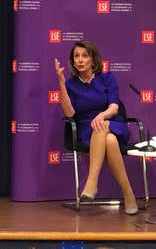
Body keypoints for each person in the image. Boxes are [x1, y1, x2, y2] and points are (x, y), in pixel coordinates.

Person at [55, 40, 138, 215]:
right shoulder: (70, 85)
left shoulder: (107, 78)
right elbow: (69, 113)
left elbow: (114, 107)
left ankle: (92, 183)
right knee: (108, 139)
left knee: (103, 128)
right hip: (86, 129)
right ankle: (128, 194)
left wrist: (102, 116)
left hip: (112, 121)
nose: (80, 60)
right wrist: (61, 83)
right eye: (76, 56)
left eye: (85, 56)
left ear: (93, 60)